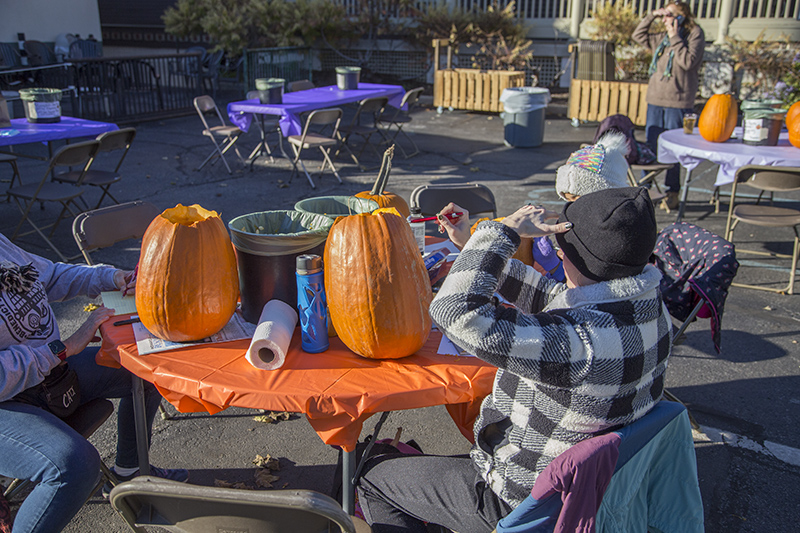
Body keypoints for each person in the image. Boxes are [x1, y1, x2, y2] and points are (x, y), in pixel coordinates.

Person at [357, 187, 672, 532]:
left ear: (580, 259)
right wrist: (469, 244)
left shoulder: (581, 344)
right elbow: (553, 297)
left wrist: (500, 232)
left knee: (369, 474)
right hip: (585, 488)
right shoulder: (649, 309)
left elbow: (452, 311)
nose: (558, 256)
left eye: (560, 250)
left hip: (518, 498)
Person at [0, 234, 188, 533]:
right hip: (8, 400)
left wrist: (112, 277)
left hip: (48, 373)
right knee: (74, 466)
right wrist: (63, 349)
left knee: (146, 369)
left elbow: (49, 277)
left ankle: (128, 469)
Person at [633, 1, 705, 210]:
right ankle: (644, 190)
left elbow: (688, 62)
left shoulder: (693, 34)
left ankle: (671, 192)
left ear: (682, 17)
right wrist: (653, 16)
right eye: (664, 15)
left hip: (678, 100)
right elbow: (638, 36)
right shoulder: (661, 37)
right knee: (651, 146)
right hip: (656, 99)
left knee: (674, 148)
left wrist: (675, 36)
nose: (665, 19)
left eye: (669, 14)